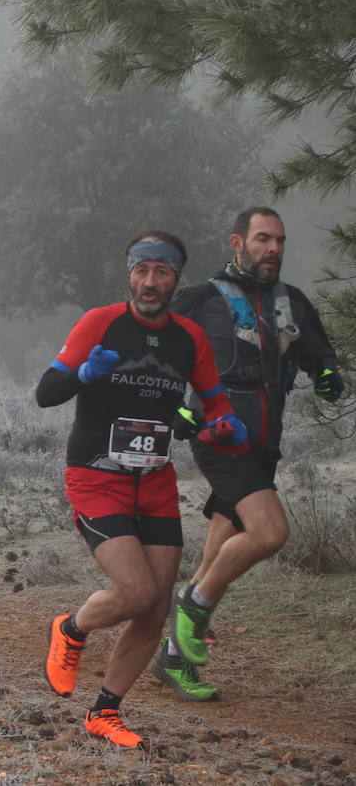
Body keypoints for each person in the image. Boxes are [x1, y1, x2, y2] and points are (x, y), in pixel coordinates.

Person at [37, 231, 247, 749]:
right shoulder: (100, 322)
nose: (150, 282)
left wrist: (224, 424)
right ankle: (71, 629)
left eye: (162, 273)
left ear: (176, 279)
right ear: (129, 273)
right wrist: (84, 373)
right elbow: (46, 393)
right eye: (141, 271)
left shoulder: (188, 337)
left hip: (154, 481)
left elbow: (215, 402)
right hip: (95, 475)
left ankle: (105, 713)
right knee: (136, 594)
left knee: (154, 611)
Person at [156, 207, 342, 699]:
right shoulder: (202, 298)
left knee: (227, 539)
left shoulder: (293, 301)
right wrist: (181, 406)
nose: (274, 249)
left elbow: (317, 350)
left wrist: (326, 373)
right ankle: (195, 605)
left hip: (265, 442)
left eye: (279, 240)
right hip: (219, 435)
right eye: (263, 239)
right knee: (269, 531)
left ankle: (174, 657)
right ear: (237, 243)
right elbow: (161, 352)